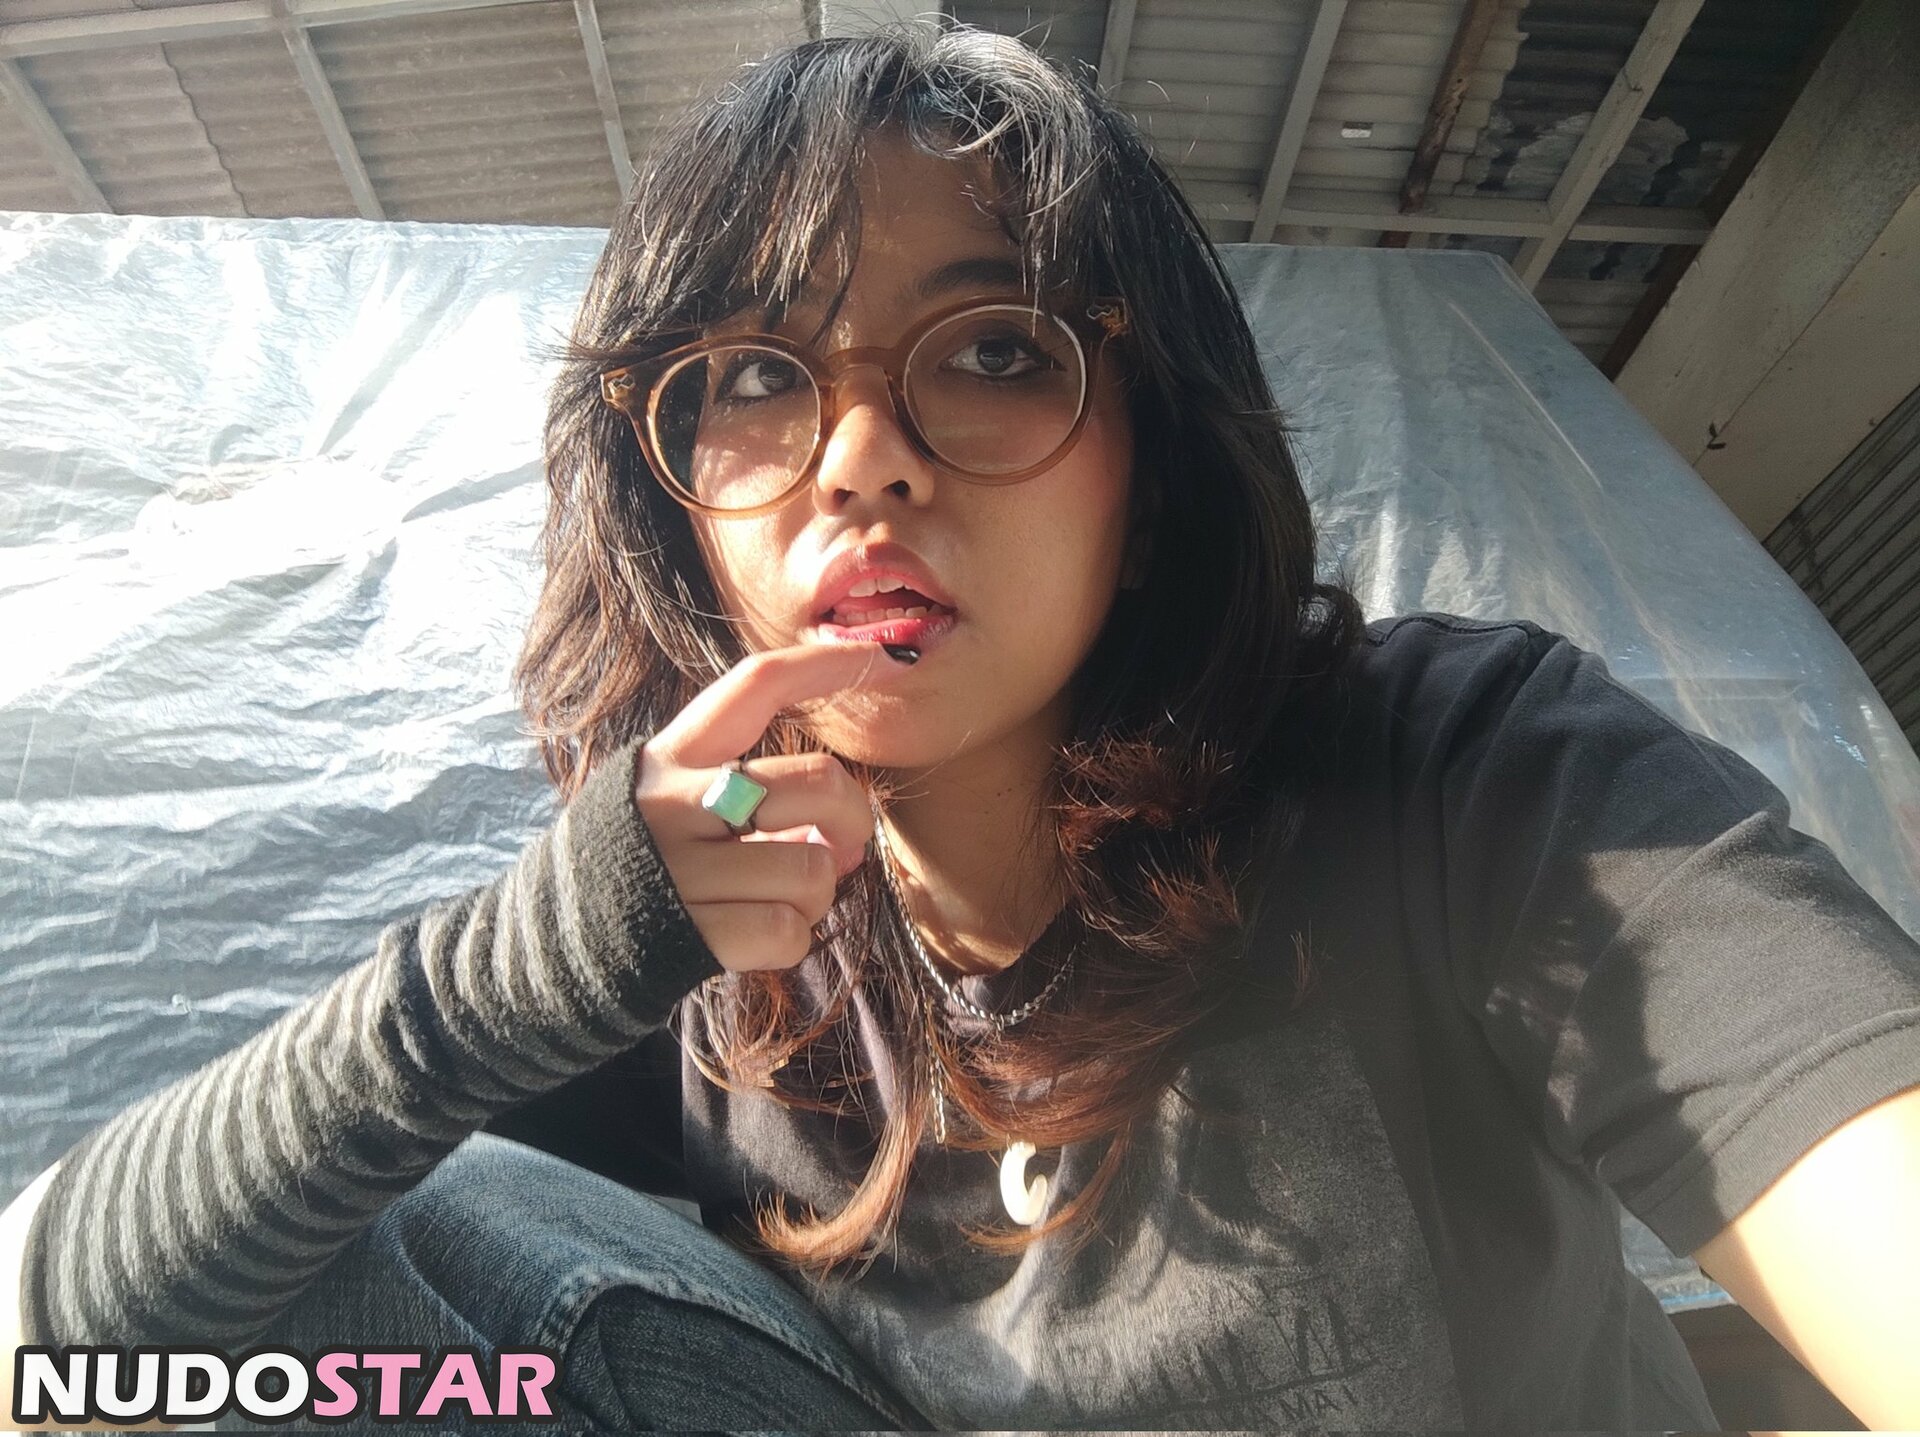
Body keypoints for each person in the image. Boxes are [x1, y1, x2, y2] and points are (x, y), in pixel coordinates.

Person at [6, 20, 1920, 1434]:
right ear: (681, 521)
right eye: (752, 374)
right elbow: (66, 1352)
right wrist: (521, 970)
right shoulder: (708, 978)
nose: (859, 459)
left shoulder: (1454, 780)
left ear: (1152, 467)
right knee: (404, 1206)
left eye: (996, 348)